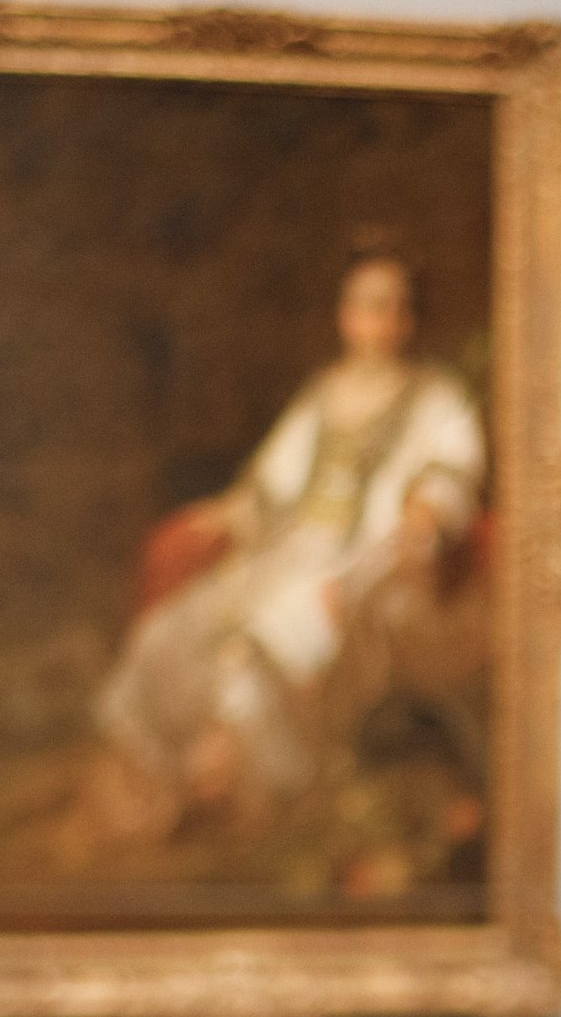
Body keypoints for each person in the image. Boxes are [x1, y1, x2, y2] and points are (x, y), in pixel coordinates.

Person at [89, 249, 485, 843]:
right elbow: (273, 482)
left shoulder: (434, 397)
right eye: (358, 304)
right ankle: (173, 778)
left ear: (406, 319)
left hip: (364, 557)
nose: (370, 318)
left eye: (385, 306)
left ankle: (258, 794)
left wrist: (426, 510)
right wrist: (230, 510)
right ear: (343, 315)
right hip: (290, 545)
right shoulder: (324, 391)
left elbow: (450, 473)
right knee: (178, 629)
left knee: (267, 643)